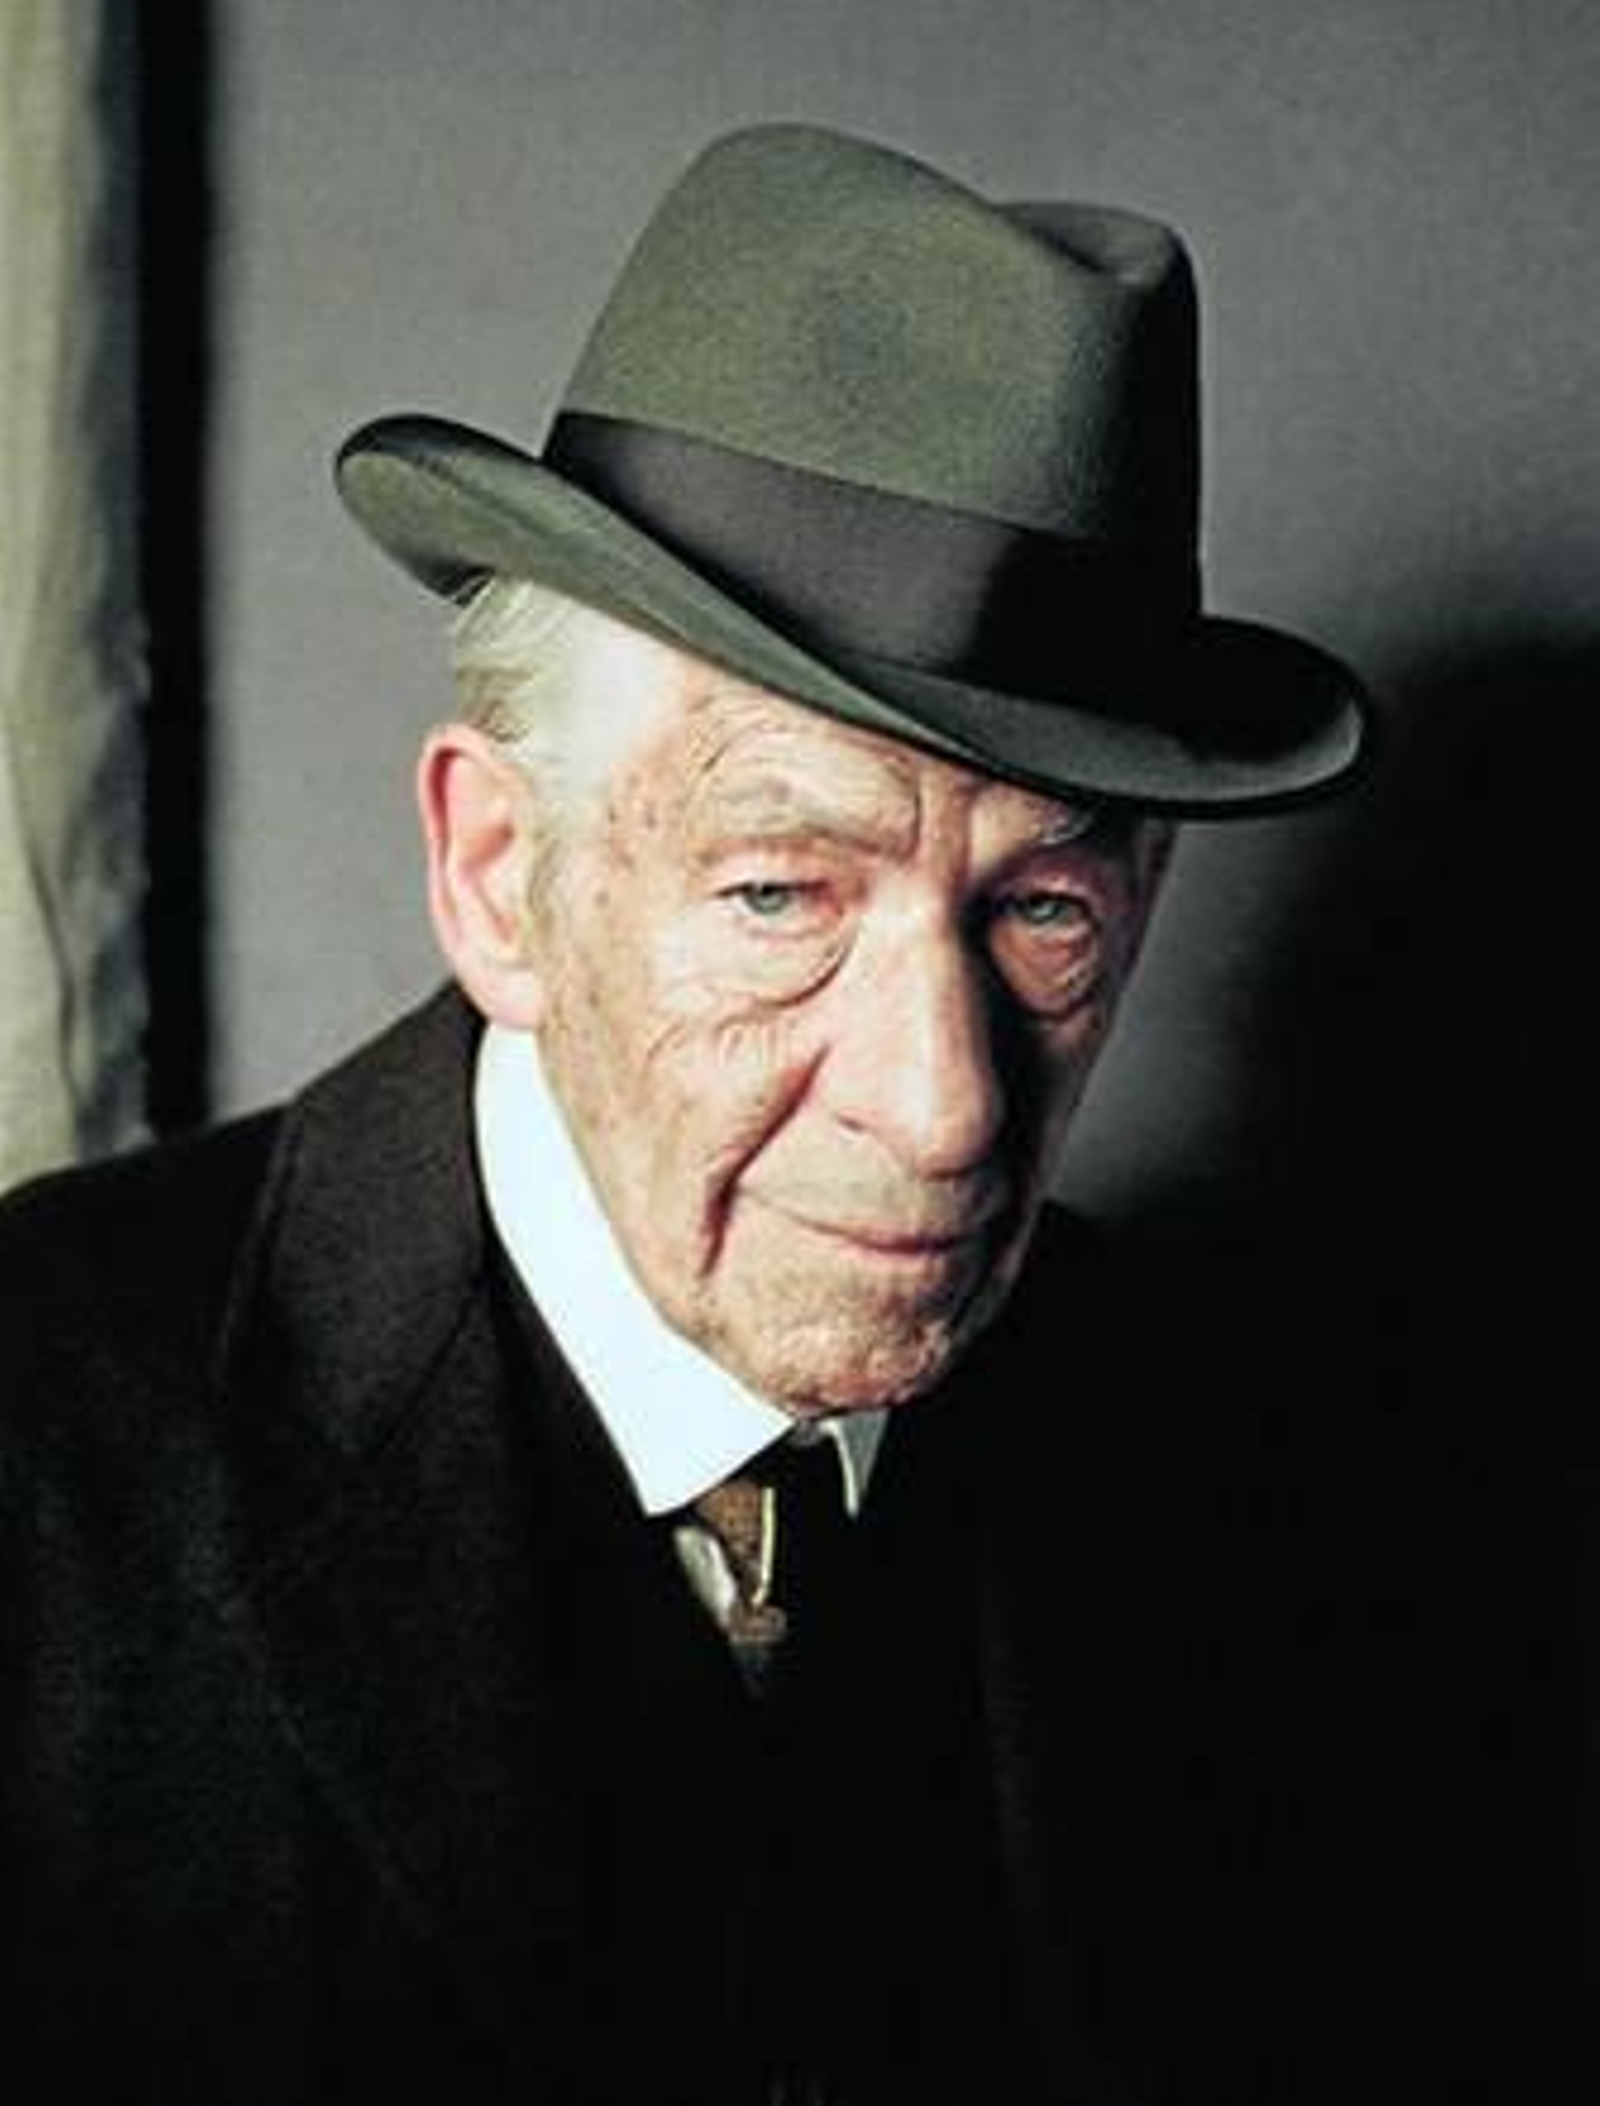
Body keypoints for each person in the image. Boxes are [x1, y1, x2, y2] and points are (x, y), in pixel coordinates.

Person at [7, 122, 1564, 2106]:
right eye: (779, 895)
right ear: (500, 874)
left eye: (1043, 911)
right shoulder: (39, 1443)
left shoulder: (1283, 1494)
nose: (940, 1107)